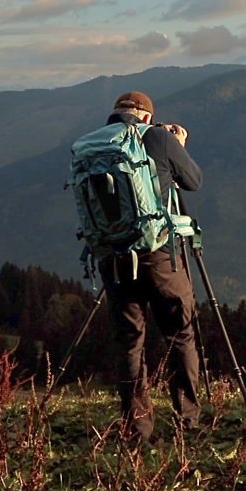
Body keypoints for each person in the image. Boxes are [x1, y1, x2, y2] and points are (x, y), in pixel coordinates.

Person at [98, 90, 203, 441]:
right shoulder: (158, 137)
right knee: (180, 332)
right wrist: (180, 144)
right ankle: (186, 421)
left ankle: (137, 429)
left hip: (112, 257)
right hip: (158, 254)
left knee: (130, 341)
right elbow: (193, 181)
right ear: (145, 117)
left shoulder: (94, 144)